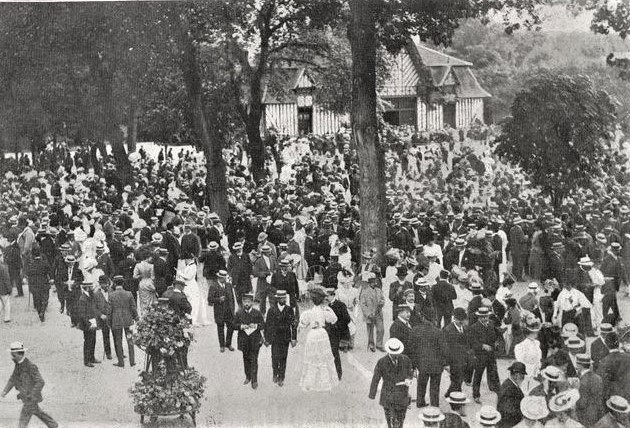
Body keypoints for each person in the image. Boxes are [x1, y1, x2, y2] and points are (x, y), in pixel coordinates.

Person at [1, 342, 58, 428]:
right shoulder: (18, 365)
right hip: (27, 398)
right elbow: (12, 379)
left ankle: (53, 425)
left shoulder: (30, 366)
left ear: (19, 354)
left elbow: (40, 382)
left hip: (30, 399)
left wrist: (31, 394)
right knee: (38, 412)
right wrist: (4, 391)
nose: (12, 356)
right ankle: (53, 425)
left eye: (13, 354)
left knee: (23, 422)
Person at [298, 287, 339, 392]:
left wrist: (300, 334)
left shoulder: (308, 313)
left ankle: (310, 383)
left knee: (312, 357)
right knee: (324, 357)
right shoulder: (325, 310)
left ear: (312, 300)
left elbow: (301, 325)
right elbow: (334, 319)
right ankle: (325, 383)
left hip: (312, 334)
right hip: (322, 334)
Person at [368, 338, 413, 428]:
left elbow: (410, 372)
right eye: (394, 354)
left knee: (400, 421)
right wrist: (372, 394)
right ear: (389, 352)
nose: (396, 355)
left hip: (402, 396)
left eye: (398, 353)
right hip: (388, 397)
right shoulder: (382, 362)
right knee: (391, 422)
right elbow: (375, 379)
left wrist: (409, 379)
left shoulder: (406, 359)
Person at [410, 317, 446, 408]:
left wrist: (414, 365)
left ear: (423, 318)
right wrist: (444, 364)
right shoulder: (438, 332)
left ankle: (420, 402)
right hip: (436, 365)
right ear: (434, 320)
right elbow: (443, 350)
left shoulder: (415, 330)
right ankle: (434, 405)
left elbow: (412, 348)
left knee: (421, 384)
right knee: (435, 387)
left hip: (422, 364)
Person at [264, 290, 297, 386]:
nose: (284, 300)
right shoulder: (271, 310)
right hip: (274, 338)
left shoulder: (289, 309)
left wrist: (294, 338)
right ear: (278, 299)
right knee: (274, 357)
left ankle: (281, 377)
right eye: (282, 298)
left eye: (285, 298)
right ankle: (275, 373)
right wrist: (267, 339)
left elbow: (293, 325)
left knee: (283, 357)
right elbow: (267, 326)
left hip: (285, 337)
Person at [469, 306, 501, 403]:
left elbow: (497, 335)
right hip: (480, 356)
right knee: (478, 375)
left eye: (486, 316)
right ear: (478, 317)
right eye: (482, 317)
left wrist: (496, 342)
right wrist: (482, 346)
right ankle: (476, 395)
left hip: (491, 354)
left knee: (493, 372)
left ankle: (496, 389)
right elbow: (472, 343)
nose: (484, 319)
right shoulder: (474, 327)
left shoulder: (491, 324)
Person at [233, 293, 265, 389]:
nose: (246, 304)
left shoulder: (257, 313)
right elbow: (233, 325)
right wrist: (241, 326)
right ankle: (248, 376)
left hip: (255, 340)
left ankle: (254, 380)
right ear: (242, 302)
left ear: (252, 303)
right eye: (245, 302)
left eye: (248, 302)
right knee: (246, 359)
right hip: (244, 340)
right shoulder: (239, 313)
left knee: (254, 359)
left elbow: (263, 325)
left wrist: (255, 325)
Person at [109, 275, 138, 368]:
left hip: (116, 320)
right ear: (123, 283)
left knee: (118, 341)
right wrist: (136, 317)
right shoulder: (129, 294)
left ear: (114, 283)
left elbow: (109, 310)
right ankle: (132, 361)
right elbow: (133, 308)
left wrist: (109, 322)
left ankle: (121, 362)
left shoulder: (111, 295)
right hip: (127, 320)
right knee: (130, 340)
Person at [443, 307, 472, 397]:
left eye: (462, 320)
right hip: (453, 360)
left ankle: (450, 394)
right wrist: (446, 364)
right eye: (459, 320)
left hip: (464, 359)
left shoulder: (465, 329)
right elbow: (445, 348)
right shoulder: (447, 330)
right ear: (454, 318)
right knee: (457, 379)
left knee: (459, 379)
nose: (461, 322)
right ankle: (455, 396)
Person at [207, 270, 236, 352]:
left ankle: (228, 343)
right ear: (219, 278)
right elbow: (209, 299)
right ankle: (222, 345)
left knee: (231, 327)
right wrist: (218, 299)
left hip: (228, 311)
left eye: (225, 278)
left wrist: (233, 309)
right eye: (223, 278)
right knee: (220, 328)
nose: (225, 280)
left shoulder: (228, 285)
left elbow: (232, 299)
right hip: (219, 311)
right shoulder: (214, 286)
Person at [325, 287, 350, 380]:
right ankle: (335, 373)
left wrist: (336, 325)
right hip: (332, 332)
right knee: (332, 352)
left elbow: (347, 319)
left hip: (339, 332)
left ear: (332, 295)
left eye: (328, 296)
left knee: (334, 352)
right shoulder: (328, 306)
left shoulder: (340, 305)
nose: (326, 298)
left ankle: (338, 373)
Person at [574, 353, 604, 427]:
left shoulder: (582, 381)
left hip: (585, 416)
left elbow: (582, 403)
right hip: (598, 415)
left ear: (579, 365)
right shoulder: (598, 378)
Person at [75, 281, 99, 367]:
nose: (92, 288)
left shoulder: (90, 296)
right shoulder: (83, 298)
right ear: (87, 288)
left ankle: (92, 357)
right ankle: (87, 360)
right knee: (88, 342)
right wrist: (88, 324)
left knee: (93, 340)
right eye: (91, 287)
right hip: (87, 324)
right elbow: (82, 314)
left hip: (92, 322)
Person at [176, 252, 203, 326]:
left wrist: (179, 273)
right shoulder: (189, 266)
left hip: (191, 286)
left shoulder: (193, 266)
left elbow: (188, 277)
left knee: (193, 302)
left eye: (186, 259)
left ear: (189, 259)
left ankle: (194, 319)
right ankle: (189, 318)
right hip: (187, 285)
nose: (185, 261)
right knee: (188, 301)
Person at [497, 362, 527, 428]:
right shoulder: (508, 389)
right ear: (516, 375)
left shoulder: (511, 384)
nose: (523, 378)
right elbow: (508, 411)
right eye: (522, 375)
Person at [360, 276, 385, 352]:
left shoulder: (379, 290)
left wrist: (382, 303)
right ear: (369, 283)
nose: (375, 283)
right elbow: (362, 304)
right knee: (370, 331)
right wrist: (368, 314)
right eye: (373, 282)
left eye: (375, 282)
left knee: (381, 329)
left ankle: (379, 344)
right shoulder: (365, 291)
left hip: (378, 313)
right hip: (370, 314)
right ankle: (371, 344)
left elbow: (383, 299)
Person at [26, 248, 52, 322]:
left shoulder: (31, 264)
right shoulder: (44, 263)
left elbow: (28, 273)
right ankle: (42, 311)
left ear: (33, 255)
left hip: (35, 285)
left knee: (37, 300)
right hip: (44, 283)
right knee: (45, 299)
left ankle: (39, 312)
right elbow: (49, 270)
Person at [133, 250, 156, 318]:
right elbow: (153, 277)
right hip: (149, 283)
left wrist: (140, 276)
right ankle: (150, 315)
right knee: (150, 300)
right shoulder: (151, 266)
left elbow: (134, 276)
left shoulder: (138, 265)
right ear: (148, 257)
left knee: (142, 301)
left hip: (142, 283)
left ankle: (143, 315)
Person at [0, 248, 11, 322]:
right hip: (3, 288)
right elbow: (6, 279)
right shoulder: (3, 267)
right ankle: (7, 318)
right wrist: (9, 288)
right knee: (6, 303)